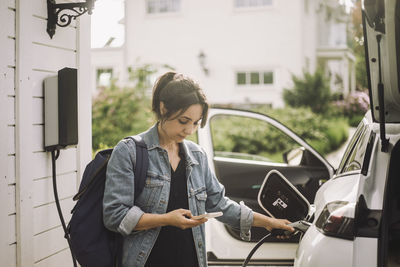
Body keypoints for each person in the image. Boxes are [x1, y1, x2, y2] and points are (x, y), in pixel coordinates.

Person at [103, 72, 294, 267]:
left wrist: (269, 222)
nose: (190, 130)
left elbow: (220, 205)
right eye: (183, 121)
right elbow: (115, 215)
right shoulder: (129, 152)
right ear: (163, 108)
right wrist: (166, 219)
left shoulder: (197, 156)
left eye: (196, 123)